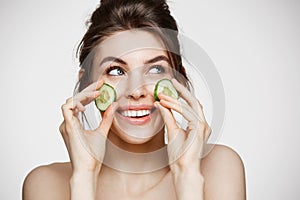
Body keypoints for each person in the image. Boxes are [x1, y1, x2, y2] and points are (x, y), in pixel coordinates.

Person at [22, 0, 246, 199]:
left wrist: (187, 176)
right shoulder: (46, 184)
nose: (136, 91)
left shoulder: (218, 168)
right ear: (86, 86)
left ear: (180, 82)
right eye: (116, 70)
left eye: (156, 68)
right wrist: (84, 178)